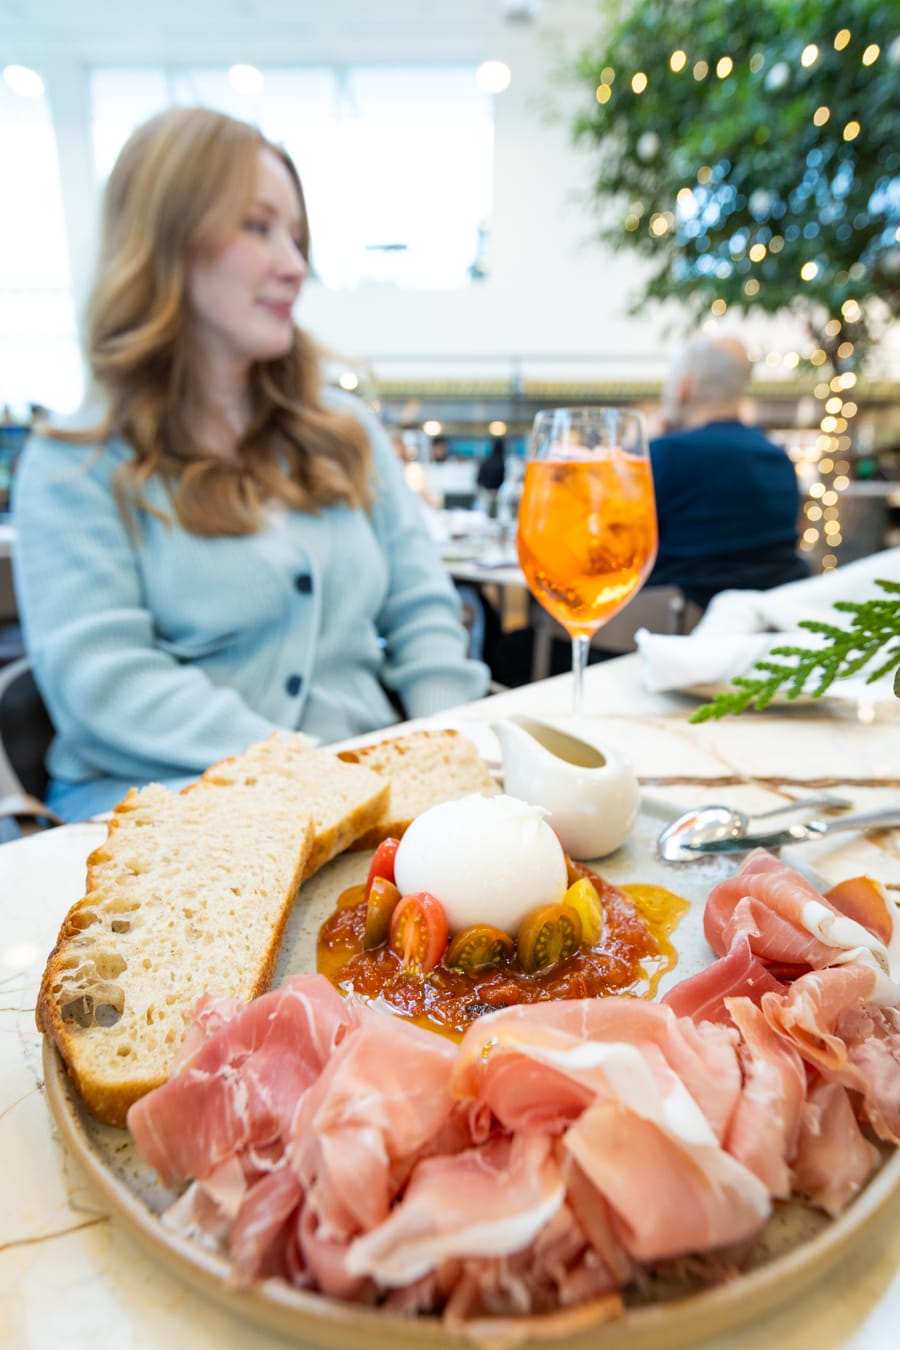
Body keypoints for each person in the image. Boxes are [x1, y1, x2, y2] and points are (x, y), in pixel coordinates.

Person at [12, 107, 488, 823]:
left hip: (360, 796)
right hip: (161, 810)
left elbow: (423, 613)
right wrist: (316, 776)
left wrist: (462, 765)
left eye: (297, 237)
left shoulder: (344, 431)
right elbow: (105, 680)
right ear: (166, 239)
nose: (296, 265)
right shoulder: (73, 466)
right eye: (259, 228)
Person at [647, 335, 808, 610]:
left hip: (664, 635)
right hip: (763, 628)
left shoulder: (664, 454)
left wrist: (639, 446)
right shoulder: (779, 459)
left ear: (683, 389)